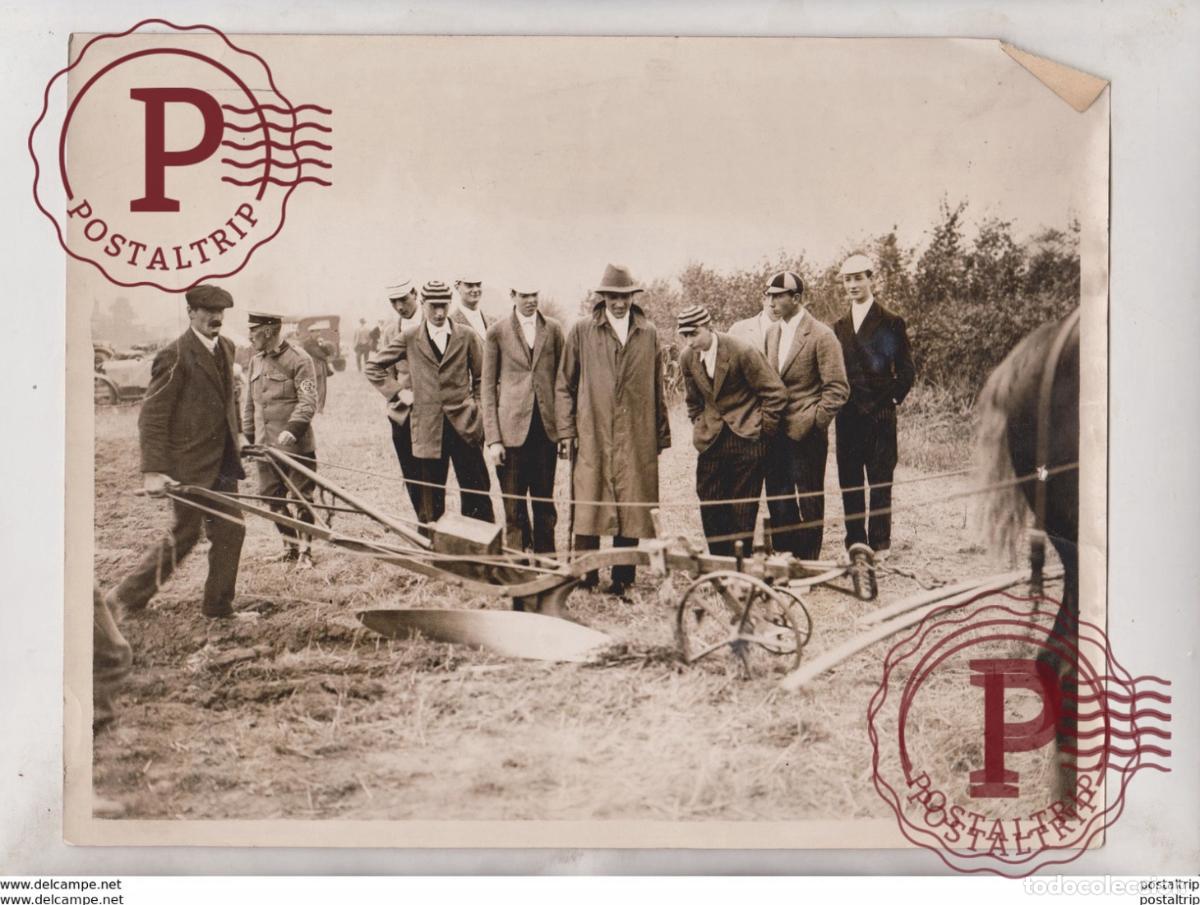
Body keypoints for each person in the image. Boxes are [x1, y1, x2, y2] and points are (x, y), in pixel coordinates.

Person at [103, 284, 247, 619]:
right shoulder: (175, 355)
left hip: (222, 463)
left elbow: (229, 398)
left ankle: (218, 607)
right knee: (186, 534)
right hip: (188, 464)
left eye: (220, 312)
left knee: (231, 529)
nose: (216, 317)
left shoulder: (226, 347)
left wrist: (238, 434)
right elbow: (153, 416)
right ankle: (122, 599)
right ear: (191, 313)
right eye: (208, 311)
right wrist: (153, 471)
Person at [556, 263, 670, 595]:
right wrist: (567, 431)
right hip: (593, 430)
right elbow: (564, 384)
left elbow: (657, 386)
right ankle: (585, 575)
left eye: (624, 297)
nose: (619, 303)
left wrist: (660, 433)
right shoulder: (582, 330)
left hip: (636, 431)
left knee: (632, 501)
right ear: (602, 297)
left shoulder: (648, 332)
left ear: (633, 297)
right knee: (589, 499)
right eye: (612, 297)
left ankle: (623, 577)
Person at [367, 280, 495, 526]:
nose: (439, 313)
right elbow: (374, 367)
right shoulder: (409, 337)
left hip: (464, 426)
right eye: (433, 306)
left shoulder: (466, 335)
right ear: (423, 304)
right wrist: (399, 393)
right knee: (430, 498)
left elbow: (482, 377)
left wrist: (477, 411)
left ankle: (481, 546)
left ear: (450, 304)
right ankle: (432, 545)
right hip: (427, 429)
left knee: (477, 491)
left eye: (444, 306)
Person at [677, 305, 787, 558]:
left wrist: (762, 431)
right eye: (684, 335)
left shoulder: (742, 350)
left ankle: (739, 567)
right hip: (711, 441)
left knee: (742, 509)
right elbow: (693, 400)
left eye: (694, 333)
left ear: (709, 327)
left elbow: (775, 392)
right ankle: (718, 565)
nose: (689, 341)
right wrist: (699, 423)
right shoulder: (687, 357)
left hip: (747, 439)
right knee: (710, 502)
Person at [762, 269, 850, 560]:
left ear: (797, 298)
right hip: (775, 431)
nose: (771, 302)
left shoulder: (822, 335)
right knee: (778, 495)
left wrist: (814, 421)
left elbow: (837, 388)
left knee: (809, 499)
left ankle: (809, 561)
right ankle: (786, 558)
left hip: (807, 434)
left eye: (778, 296)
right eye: (769, 296)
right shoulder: (772, 333)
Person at [832, 253, 916, 557]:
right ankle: (856, 542)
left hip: (880, 416)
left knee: (880, 480)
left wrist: (890, 400)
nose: (853, 285)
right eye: (847, 279)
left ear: (871, 279)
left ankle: (880, 544)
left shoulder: (891, 321)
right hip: (847, 416)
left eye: (858, 278)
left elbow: (906, 371)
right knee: (850, 481)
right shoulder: (838, 326)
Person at [482, 283, 565, 554]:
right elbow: (487, 388)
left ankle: (547, 561)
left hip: (545, 432)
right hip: (510, 435)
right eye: (524, 295)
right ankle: (518, 565)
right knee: (513, 507)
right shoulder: (496, 332)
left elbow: (563, 382)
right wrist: (494, 440)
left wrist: (564, 431)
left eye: (534, 294)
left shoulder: (553, 329)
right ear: (512, 296)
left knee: (544, 505)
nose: (531, 300)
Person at [242, 311, 320, 568]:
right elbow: (250, 405)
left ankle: (306, 553)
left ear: (268, 331)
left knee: (301, 498)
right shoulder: (255, 361)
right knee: (271, 497)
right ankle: (290, 548)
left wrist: (292, 429)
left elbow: (308, 401)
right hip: (265, 446)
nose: (249, 336)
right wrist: (249, 439)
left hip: (295, 446)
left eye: (253, 331)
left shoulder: (300, 359)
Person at [372, 279, 424, 517]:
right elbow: (383, 369)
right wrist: (397, 392)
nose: (400, 306)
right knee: (412, 472)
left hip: (436, 410)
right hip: (404, 411)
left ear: (415, 293)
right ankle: (424, 522)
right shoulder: (390, 331)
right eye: (394, 302)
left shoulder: (433, 320)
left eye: (404, 299)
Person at [297, 330, 335, 413]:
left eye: (319, 332)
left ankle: (319, 408)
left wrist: (323, 345)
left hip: (321, 366)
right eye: (316, 332)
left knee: (322, 388)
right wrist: (324, 355)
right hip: (312, 365)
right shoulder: (307, 342)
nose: (318, 334)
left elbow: (328, 353)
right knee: (310, 387)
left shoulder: (319, 342)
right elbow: (317, 353)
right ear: (311, 333)